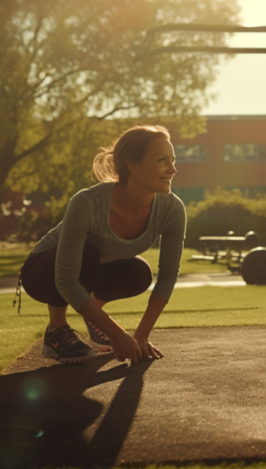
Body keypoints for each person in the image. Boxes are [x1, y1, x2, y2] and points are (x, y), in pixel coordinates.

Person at [17, 125, 186, 364]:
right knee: (87, 252)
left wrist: (141, 336)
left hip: (91, 270)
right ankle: (57, 331)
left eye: (173, 160)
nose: (173, 169)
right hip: (42, 273)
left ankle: (93, 314)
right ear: (132, 165)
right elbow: (66, 279)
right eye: (162, 160)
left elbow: (168, 275)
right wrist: (115, 333)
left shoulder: (172, 208)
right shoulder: (87, 202)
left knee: (138, 273)